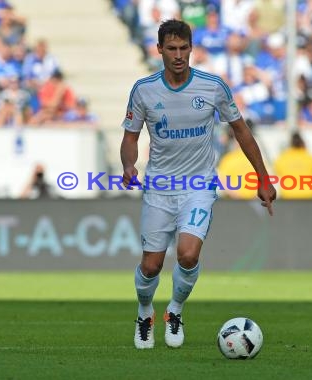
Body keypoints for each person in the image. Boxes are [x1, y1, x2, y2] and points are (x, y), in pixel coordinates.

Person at [120, 19, 276, 350]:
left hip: (198, 185)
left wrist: (263, 177)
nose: (178, 55)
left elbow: (241, 131)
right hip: (159, 187)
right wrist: (129, 164)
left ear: (192, 49)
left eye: (184, 48)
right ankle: (145, 311)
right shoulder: (144, 90)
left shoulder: (212, 87)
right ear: (159, 50)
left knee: (188, 255)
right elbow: (130, 137)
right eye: (171, 49)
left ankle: (174, 310)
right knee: (151, 265)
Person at [274, 132, 312, 199]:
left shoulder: (282, 158)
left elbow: (276, 174)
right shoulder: (310, 157)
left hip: (288, 195)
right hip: (309, 196)